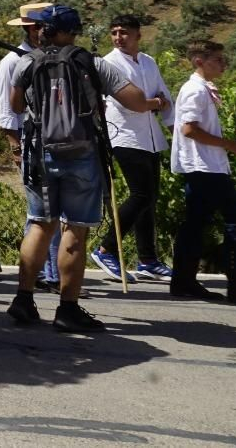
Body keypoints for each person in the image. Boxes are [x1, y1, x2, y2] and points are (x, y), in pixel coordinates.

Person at [5, 4, 161, 333]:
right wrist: (154, 103)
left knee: (40, 225)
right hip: (82, 154)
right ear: (73, 32)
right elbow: (134, 100)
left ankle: (23, 299)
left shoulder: (27, 62)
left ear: (45, 31)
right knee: (74, 230)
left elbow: (16, 106)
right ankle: (68, 309)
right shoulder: (93, 63)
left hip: (40, 154)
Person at [167, 41, 236, 305]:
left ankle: (184, 281)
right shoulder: (195, 90)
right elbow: (189, 129)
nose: (224, 64)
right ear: (200, 61)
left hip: (204, 165)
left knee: (196, 222)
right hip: (204, 166)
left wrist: (232, 146)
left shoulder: (199, 89)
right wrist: (230, 145)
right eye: (218, 59)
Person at [91, 14, 176, 283]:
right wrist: (154, 103)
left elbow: (165, 96)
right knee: (141, 194)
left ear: (138, 35)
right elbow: (130, 104)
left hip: (150, 137)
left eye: (124, 32)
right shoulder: (109, 63)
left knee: (150, 199)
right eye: (114, 32)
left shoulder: (148, 62)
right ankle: (106, 249)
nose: (119, 37)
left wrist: (173, 130)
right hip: (124, 136)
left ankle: (147, 259)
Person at [0, 2, 59, 288]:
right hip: (29, 139)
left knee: (51, 209)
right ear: (32, 28)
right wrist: (16, 148)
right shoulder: (12, 62)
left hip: (56, 138)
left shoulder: (54, 57)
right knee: (41, 209)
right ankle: (43, 272)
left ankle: (46, 271)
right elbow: (7, 112)